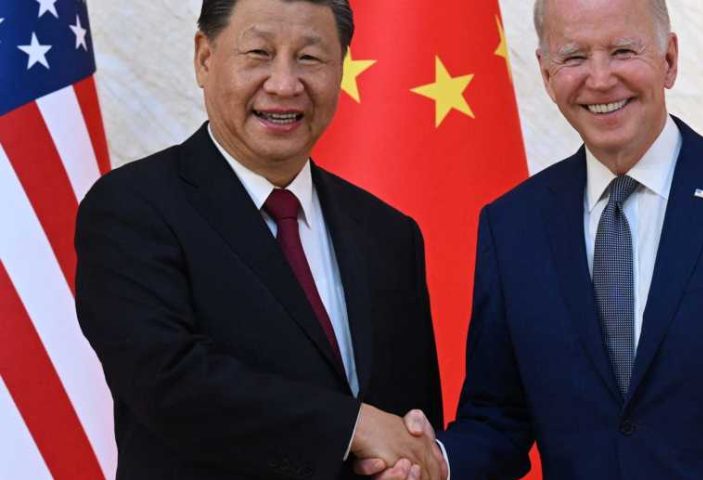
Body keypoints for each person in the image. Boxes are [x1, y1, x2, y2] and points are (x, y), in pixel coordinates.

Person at [358, 0, 703, 478]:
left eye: (623, 51)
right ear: (545, 73)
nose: (600, 79)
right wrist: (435, 461)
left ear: (669, 59)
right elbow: (499, 418)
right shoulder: (512, 224)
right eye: (574, 57)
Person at [74, 0, 446, 478]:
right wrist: (349, 428)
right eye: (259, 53)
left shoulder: (388, 233)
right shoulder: (131, 207)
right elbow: (167, 382)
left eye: (310, 58)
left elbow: (409, 422)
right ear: (204, 58)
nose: (285, 84)